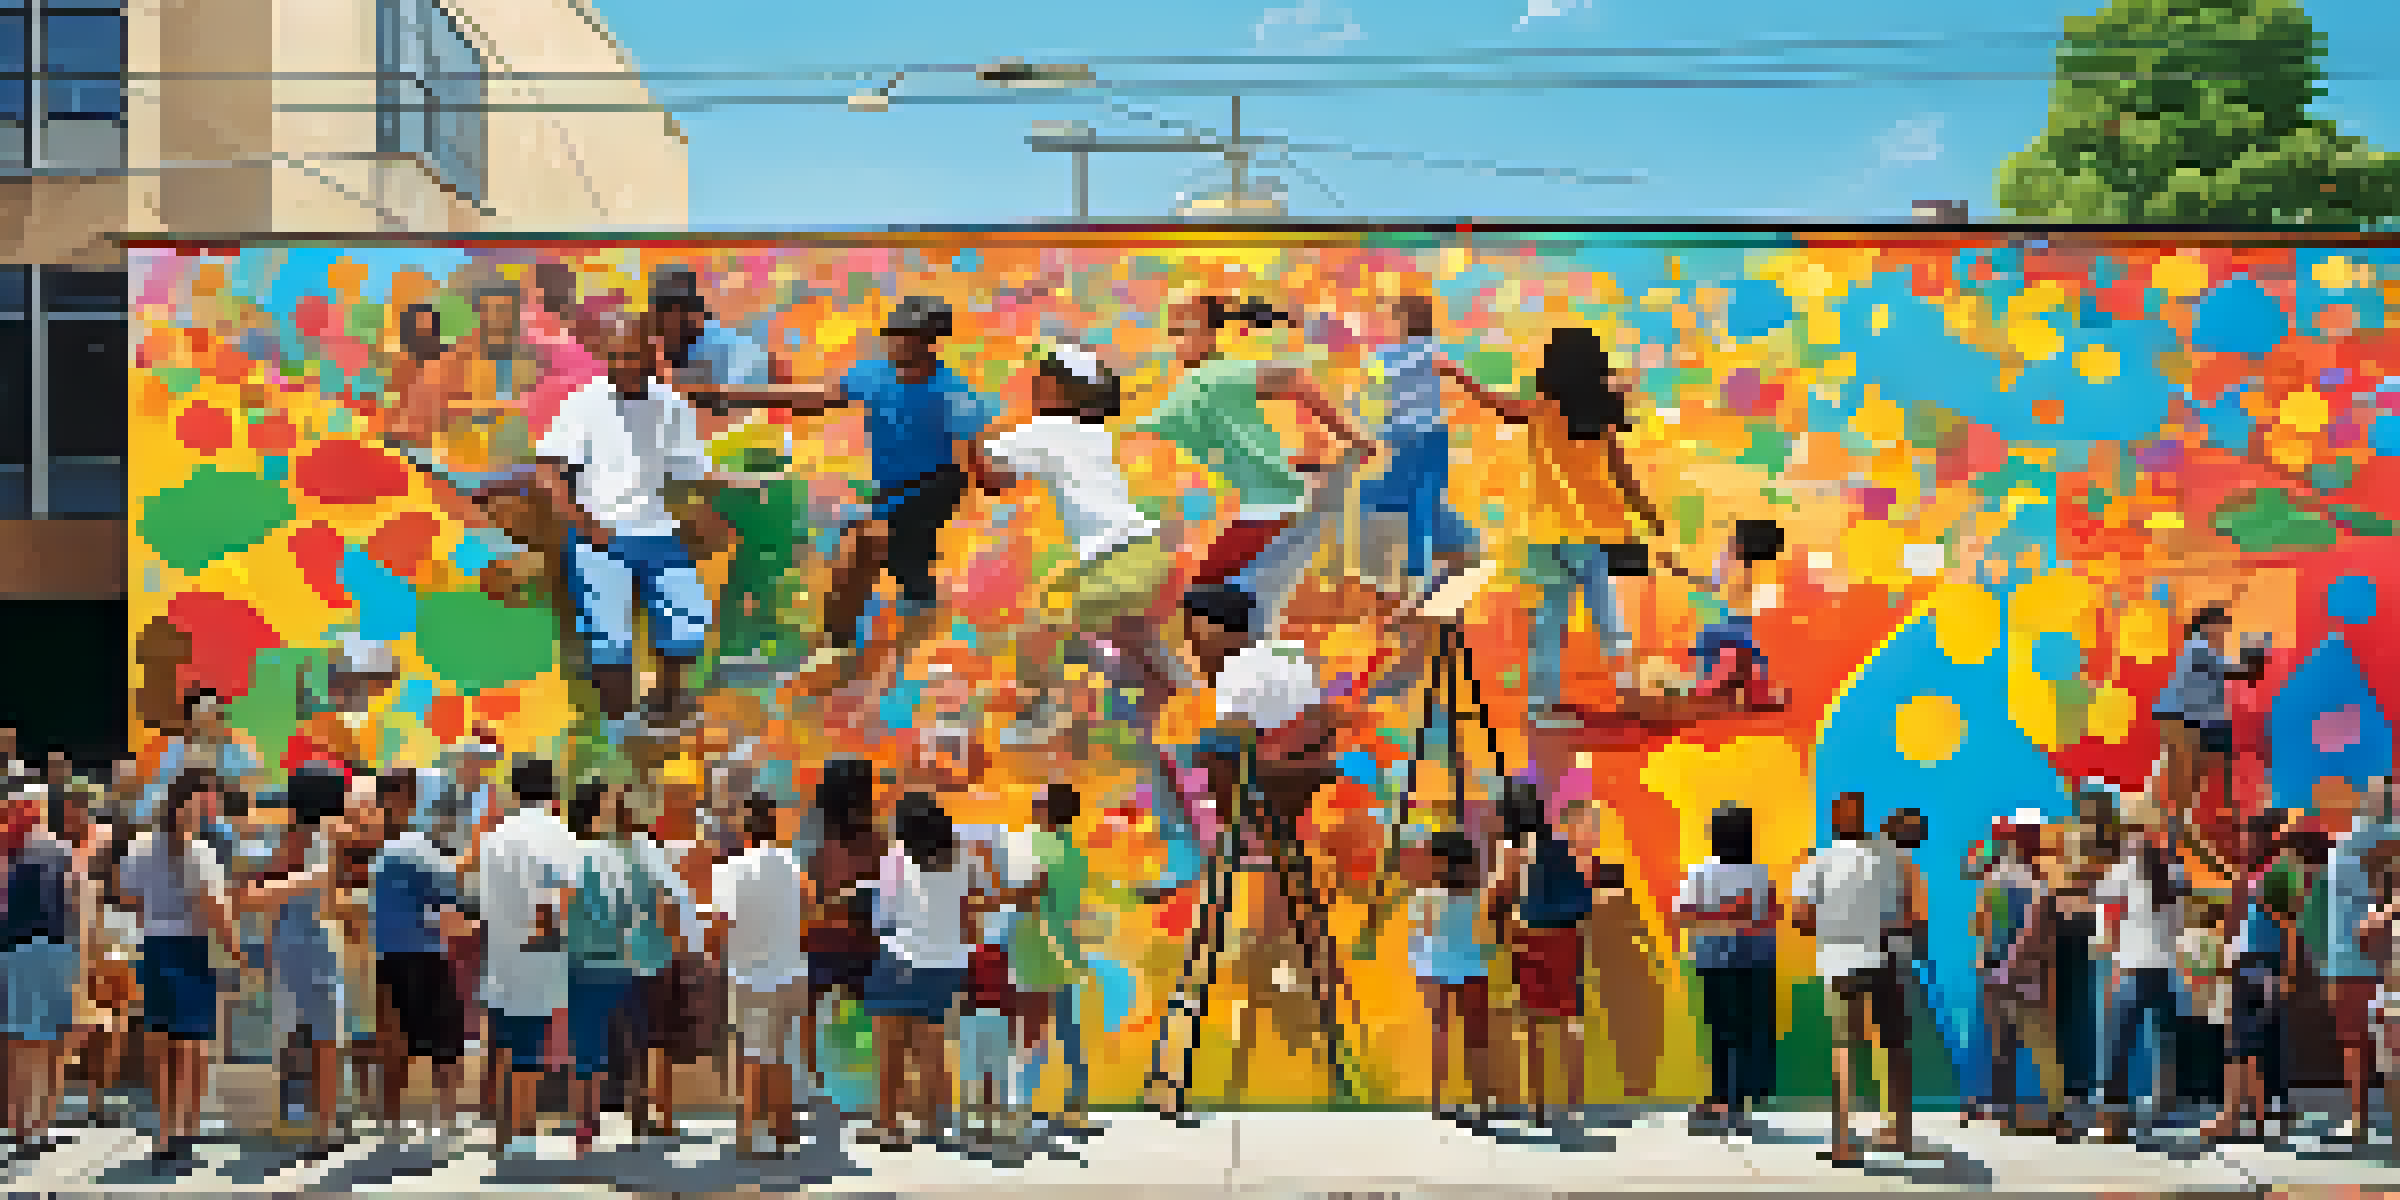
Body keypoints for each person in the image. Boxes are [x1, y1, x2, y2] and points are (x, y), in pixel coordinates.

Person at [977, 339, 1188, 744]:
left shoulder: (1048, 431)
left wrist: (975, 433)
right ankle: (1195, 709)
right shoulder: (1091, 432)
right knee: (1137, 643)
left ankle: (1040, 716)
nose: (1035, 383)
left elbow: (992, 475)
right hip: (1140, 552)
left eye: (1046, 378)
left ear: (1067, 391)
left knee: (1040, 628)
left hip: (1119, 558)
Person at [1134, 296, 1376, 639]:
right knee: (1222, 600)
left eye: (1185, 331)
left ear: (1211, 334)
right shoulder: (1195, 384)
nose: (1176, 343)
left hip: (1266, 507)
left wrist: (1355, 439)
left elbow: (1295, 378)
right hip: (1262, 505)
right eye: (1172, 333)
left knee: (1211, 602)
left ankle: (1245, 656)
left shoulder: (1219, 374)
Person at [533, 321, 733, 735]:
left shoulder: (670, 405)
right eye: (617, 356)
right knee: (609, 636)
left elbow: (690, 468)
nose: (624, 365)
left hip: (658, 532)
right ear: (606, 357)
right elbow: (548, 470)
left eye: (633, 355)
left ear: (650, 356)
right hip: (599, 532)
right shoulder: (583, 403)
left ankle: (666, 706)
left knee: (688, 619)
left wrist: (737, 482)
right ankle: (618, 726)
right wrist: (580, 520)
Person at [1487, 328, 1676, 731]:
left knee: (1550, 620)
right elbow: (1621, 473)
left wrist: (1458, 375)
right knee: (1607, 613)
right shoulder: (1597, 415)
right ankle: (1629, 691)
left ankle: (1542, 707)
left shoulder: (1539, 410)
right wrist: (1649, 513)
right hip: (1585, 531)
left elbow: (1498, 405)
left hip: (1543, 533)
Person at [119, 769, 250, 1162]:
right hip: (193, 949)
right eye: (207, 798)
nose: (211, 806)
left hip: (154, 947)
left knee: (162, 1047)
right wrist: (239, 953)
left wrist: (155, 915)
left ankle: (165, 1133)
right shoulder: (201, 852)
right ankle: (187, 1131)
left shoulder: (142, 846)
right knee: (193, 1048)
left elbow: (128, 897)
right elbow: (215, 910)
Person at [1358, 294, 1510, 602]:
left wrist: (1371, 431)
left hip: (1406, 437)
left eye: (1394, 318)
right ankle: (1459, 549)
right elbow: (1469, 383)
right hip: (1424, 437)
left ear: (1404, 322)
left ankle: (1423, 572)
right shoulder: (1428, 352)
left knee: (1411, 500)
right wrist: (1499, 405)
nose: (1389, 324)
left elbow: (1372, 395)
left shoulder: (1389, 356)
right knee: (1419, 499)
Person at [1791, 791, 1915, 1163]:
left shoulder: (1819, 862)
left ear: (1834, 822)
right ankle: (1900, 1134)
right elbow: (1902, 918)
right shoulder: (1886, 863)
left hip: (1840, 962)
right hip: (1884, 959)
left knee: (1843, 1049)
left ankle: (1843, 1141)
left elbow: (1801, 918)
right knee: (1893, 1045)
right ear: (1862, 821)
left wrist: (1835, 924)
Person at [236, 764, 350, 1154]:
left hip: (292, 945)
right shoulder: (320, 838)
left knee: (297, 1036)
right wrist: (306, 881)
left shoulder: (296, 839)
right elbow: (259, 894)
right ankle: (321, 1127)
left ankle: (300, 1119)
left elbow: (255, 893)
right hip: (315, 945)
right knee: (323, 1039)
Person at [861, 791, 984, 1150]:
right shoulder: (961, 856)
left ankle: (889, 1126)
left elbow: (883, 917)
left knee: (890, 1048)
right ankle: (932, 1123)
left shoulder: (896, 857)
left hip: (903, 958)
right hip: (947, 963)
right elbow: (969, 909)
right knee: (931, 1045)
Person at [473, 760, 578, 1160]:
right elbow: (560, 894)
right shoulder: (559, 835)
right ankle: (522, 1131)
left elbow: (483, 896)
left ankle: (503, 1130)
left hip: (499, 951)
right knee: (529, 1046)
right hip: (538, 950)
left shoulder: (494, 837)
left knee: (502, 1043)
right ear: (552, 791)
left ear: (516, 791)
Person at [370, 770, 474, 1146]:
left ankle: (392, 1126)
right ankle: (446, 1127)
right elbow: (449, 917)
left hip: (388, 958)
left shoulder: (384, 855)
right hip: (427, 958)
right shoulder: (428, 853)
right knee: (446, 1044)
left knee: (395, 1044)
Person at [1485, 778, 1594, 1133]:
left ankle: (1538, 1106)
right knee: (1570, 1018)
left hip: (1531, 938)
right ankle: (1574, 1105)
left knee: (1532, 1024)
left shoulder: (1513, 848)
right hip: (1568, 937)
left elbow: (1497, 896)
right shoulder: (1559, 845)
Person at [712, 787, 813, 1159]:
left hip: (749, 975)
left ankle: (748, 1134)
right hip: (790, 972)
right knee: (780, 1054)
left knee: (752, 1054)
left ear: (743, 826)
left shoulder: (729, 870)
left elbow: (720, 924)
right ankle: (783, 1131)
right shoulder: (792, 866)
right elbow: (809, 906)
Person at [1672, 805, 1779, 1131]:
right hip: (1756, 958)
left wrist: (1722, 917)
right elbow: (1773, 917)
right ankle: (1737, 1103)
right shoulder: (1761, 874)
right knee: (1747, 1030)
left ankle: (1723, 1100)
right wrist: (1740, 916)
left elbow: (1682, 916)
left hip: (1715, 958)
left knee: (1721, 1030)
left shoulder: (1700, 873)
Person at [1973, 811, 2073, 1137]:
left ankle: (2006, 1112)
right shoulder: (2042, 882)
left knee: (2003, 1045)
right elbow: (2047, 936)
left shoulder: (1995, 878)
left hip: (2000, 971)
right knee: (2042, 1043)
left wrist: (1986, 963)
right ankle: (2056, 1114)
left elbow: (1982, 924)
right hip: (2030, 973)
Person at [2203, 811, 2300, 1142]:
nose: (2245, 842)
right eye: (2245, 836)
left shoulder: (2278, 874)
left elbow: (2289, 925)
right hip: (2245, 965)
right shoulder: (2247, 877)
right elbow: (2233, 926)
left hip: (2264, 965)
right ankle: (2251, 1118)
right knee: (2244, 1042)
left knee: (2251, 1042)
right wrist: (2225, 960)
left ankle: (2241, 1116)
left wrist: (2287, 971)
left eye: (2252, 835)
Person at [1013, 782, 1099, 1140]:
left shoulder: (1033, 845)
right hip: (1064, 949)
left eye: (1039, 801)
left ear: (1049, 809)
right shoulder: (1077, 854)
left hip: (1034, 948)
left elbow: (1026, 895)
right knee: (1067, 1031)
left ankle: (1021, 1109)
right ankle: (1076, 1107)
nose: (1033, 805)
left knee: (1030, 1032)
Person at [2092, 824, 2188, 1141]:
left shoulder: (2124, 871)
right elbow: (2178, 925)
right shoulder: (2174, 874)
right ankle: (2165, 1113)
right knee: (2165, 1046)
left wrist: (2113, 960)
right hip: (2164, 970)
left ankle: (2113, 1123)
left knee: (2116, 1048)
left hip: (2131, 969)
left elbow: (2106, 913)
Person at [802, 760, 885, 1111]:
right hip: (861, 939)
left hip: (823, 935)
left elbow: (810, 884)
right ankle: (880, 1089)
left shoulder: (817, 836)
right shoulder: (876, 839)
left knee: (809, 1010)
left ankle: (813, 1081)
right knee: (880, 1015)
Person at [1, 783, 77, 1157]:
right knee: (47, 1045)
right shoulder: (56, 849)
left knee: (20, 1043)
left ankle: (21, 1126)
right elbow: (73, 904)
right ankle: (39, 1127)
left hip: (14, 951)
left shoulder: (11, 850)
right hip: (48, 950)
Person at [2150, 607, 2268, 831]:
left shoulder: (2204, 650)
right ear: (2204, 626)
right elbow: (2240, 671)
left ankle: (2198, 820)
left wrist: (2254, 659)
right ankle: (2178, 825)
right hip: (2182, 717)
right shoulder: (2198, 648)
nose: (2223, 632)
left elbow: (2241, 675)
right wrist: (2255, 652)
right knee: (2186, 772)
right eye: (2220, 626)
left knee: (2199, 770)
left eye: (2224, 627)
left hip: (2199, 719)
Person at [2327, 777, 2399, 1145]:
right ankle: (2363, 1121)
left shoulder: (2356, 843)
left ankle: (2358, 1121)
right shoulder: (2356, 842)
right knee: (2371, 1044)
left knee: (2359, 1044)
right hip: (2362, 956)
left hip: (2360, 958)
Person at [1414, 828, 1498, 1129]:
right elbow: (1487, 937)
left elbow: (1420, 936)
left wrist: (1419, 968)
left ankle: (1439, 1102)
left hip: (1435, 969)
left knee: (1440, 1033)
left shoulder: (1426, 897)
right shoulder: (1479, 897)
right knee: (1476, 1038)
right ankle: (1482, 1102)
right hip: (1473, 969)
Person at [1690, 520, 1791, 711]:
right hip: (1725, 627)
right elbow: (1733, 601)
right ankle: (1751, 692)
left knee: (1743, 651)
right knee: (1748, 652)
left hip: (1719, 627)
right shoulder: (1735, 565)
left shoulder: (1728, 559)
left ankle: (1725, 686)